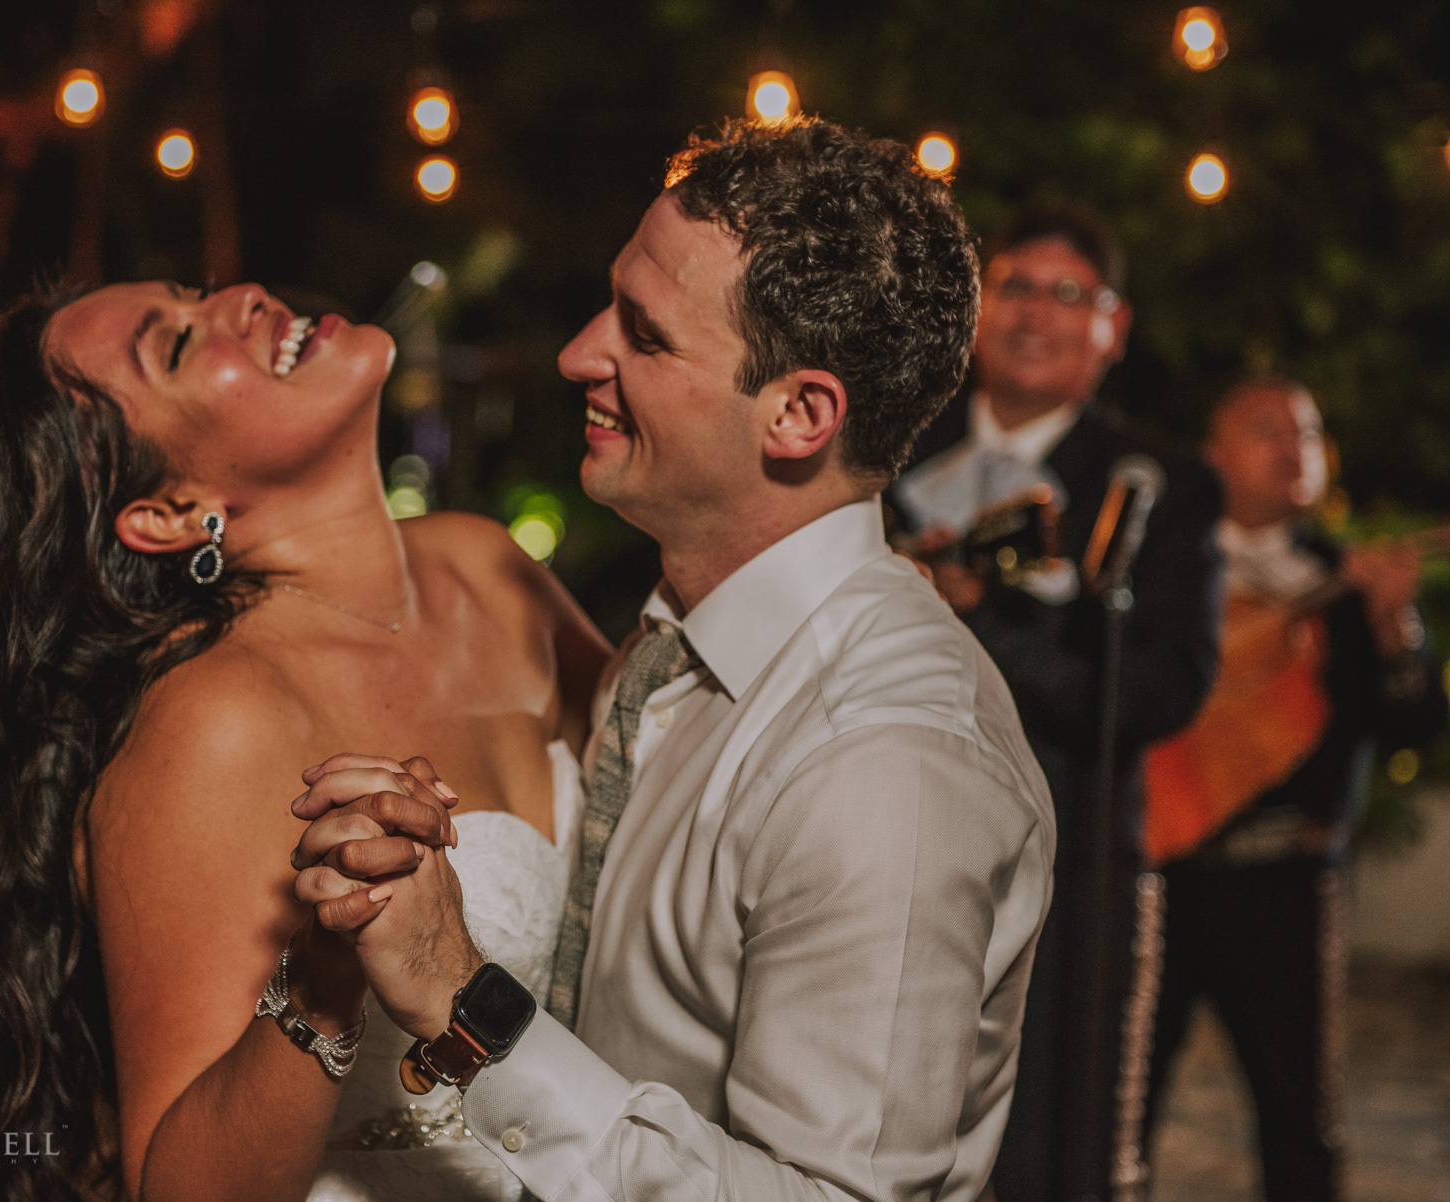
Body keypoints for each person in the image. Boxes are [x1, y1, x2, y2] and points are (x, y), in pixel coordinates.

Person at [292, 117, 1057, 1201]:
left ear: (798, 412)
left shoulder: (884, 764)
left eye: (643, 336)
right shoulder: (674, 649)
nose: (578, 354)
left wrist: (463, 995)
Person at [0, 280, 612, 1201]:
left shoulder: (488, 566)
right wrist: (323, 976)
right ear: (168, 511)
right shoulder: (215, 719)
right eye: (181, 345)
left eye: (195, 292)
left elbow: (686, 761)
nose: (241, 295)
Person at [887, 203, 1225, 1201]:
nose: (1037, 313)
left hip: (1068, 867)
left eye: (1068, 294)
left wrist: (979, 619)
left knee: (1052, 1154)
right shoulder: (896, 446)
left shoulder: (1156, 484)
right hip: (891, 837)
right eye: (1017, 287)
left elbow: (1165, 690)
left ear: (1112, 326)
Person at [1140, 378, 1447, 1202]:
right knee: (1120, 1109)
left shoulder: (1346, 583)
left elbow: (1415, 728)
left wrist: (1394, 632)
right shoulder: (1167, 571)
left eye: (1307, 434)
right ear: (1214, 457)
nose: (1291, 448)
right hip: (1158, 876)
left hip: (1287, 887)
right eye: (1266, 429)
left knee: (1298, 1121)